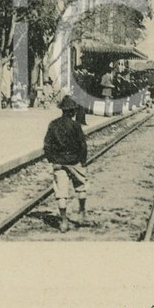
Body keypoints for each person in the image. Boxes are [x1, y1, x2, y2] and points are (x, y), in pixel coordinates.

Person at [43, 95, 89, 233]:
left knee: (61, 194)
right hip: (74, 162)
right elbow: (83, 145)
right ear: (73, 111)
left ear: (62, 110)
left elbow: (47, 145)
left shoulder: (53, 124)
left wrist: (52, 160)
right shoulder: (76, 126)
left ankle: (63, 221)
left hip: (58, 162)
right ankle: (81, 212)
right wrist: (83, 161)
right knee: (81, 187)